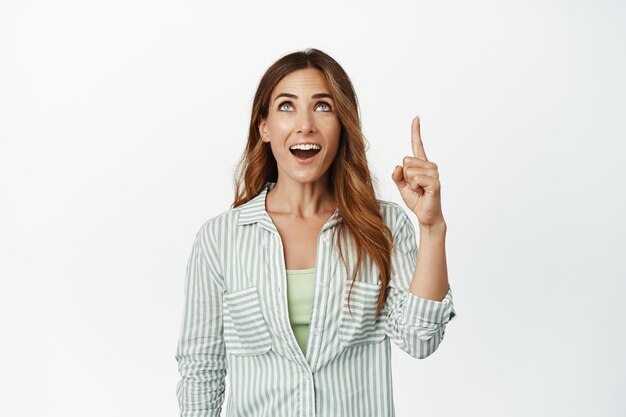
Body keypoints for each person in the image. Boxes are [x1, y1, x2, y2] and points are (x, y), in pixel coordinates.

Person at [175, 48, 457, 417]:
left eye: (323, 106)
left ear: (342, 124)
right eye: (287, 106)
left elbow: (421, 339)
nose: (305, 124)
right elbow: (201, 372)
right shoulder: (220, 239)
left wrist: (432, 228)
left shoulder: (382, 227)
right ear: (264, 127)